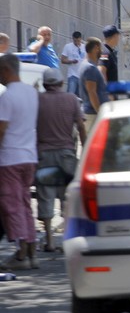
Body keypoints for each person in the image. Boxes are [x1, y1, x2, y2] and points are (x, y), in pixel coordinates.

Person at [35, 68, 86, 253]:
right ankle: (67, 238)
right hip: (67, 154)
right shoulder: (71, 99)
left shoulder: (37, 100)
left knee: (45, 195)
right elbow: (80, 126)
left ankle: (49, 239)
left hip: (44, 154)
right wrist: (86, 147)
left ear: (45, 83)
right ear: (60, 82)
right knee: (67, 197)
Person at [0, 54, 39, 270]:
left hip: (10, 158)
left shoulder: (7, 97)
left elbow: (1, 130)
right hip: (29, 156)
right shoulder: (31, 93)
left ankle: (21, 252)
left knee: (11, 204)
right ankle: (31, 248)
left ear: (6, 70)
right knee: (24, 203)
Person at [79, 37, 109, 131]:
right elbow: (92, 92)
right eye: (100, 48)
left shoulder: (86, 65)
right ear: (96, 48)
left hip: (92, 113)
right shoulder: (90, 68)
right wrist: (100, 113)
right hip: (93, 115)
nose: (101, 51)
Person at [61, 31, 86, 97]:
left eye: (78, 41)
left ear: (81, 39)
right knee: (70, 94)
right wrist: (71, 61)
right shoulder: (68, 46)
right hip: (72, 75)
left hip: (82, 75)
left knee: (81, 96)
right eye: (75, 41)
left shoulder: (85, 47)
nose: (77, 43)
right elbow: (63, 60)